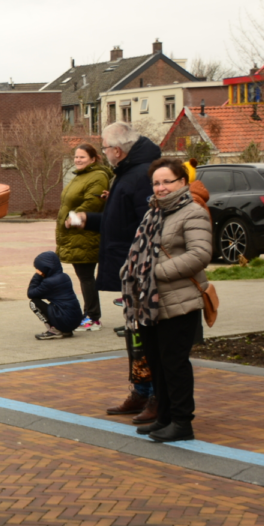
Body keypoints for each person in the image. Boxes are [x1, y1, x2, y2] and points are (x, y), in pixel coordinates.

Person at [68, 122, 161, 421]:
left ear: (118, 150)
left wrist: (138, 266)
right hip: (130, 269)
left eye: (106, 147)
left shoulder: (141, 176)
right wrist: (90, 219)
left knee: (147, 337)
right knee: (134, 334)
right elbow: (118, 220)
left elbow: (145, 228)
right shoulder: (127, 173)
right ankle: (140, 391)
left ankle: (156, 397)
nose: (105, 151)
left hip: (142, 273)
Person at [122, 159, 212, 443]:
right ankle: (164, 417)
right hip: (151, 303)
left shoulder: (192, 212)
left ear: (182, 183)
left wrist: (154, 273)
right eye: (156, 183)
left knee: (174, 363)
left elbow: (200, 255)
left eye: (167, 182)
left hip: (180, 301)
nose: (161, 188)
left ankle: (183, 422)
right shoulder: (153, 213)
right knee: (157, 363)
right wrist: (131, 272)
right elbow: (141, 250)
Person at [57, 144, 111, 332]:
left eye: (82, 157)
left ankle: (93, 317)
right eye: (76, 157)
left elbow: (93, 203)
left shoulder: (98, 176)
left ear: (93, 159)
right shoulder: (81, 175)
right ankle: (88, 313)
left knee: (86, 276)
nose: (78, 160)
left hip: (85, 234)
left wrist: (73, 219)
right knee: (84, 276)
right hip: (76, 235)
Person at [27, 251, 82, 339]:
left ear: (45, 268)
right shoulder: (64, 276)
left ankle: (55, 330)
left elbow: (31, 293)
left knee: (34, 303)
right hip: (75, 319)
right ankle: (65, 330)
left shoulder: (50, 282)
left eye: (39, 268)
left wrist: (38, 275)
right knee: (57, 304)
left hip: (65, 319)